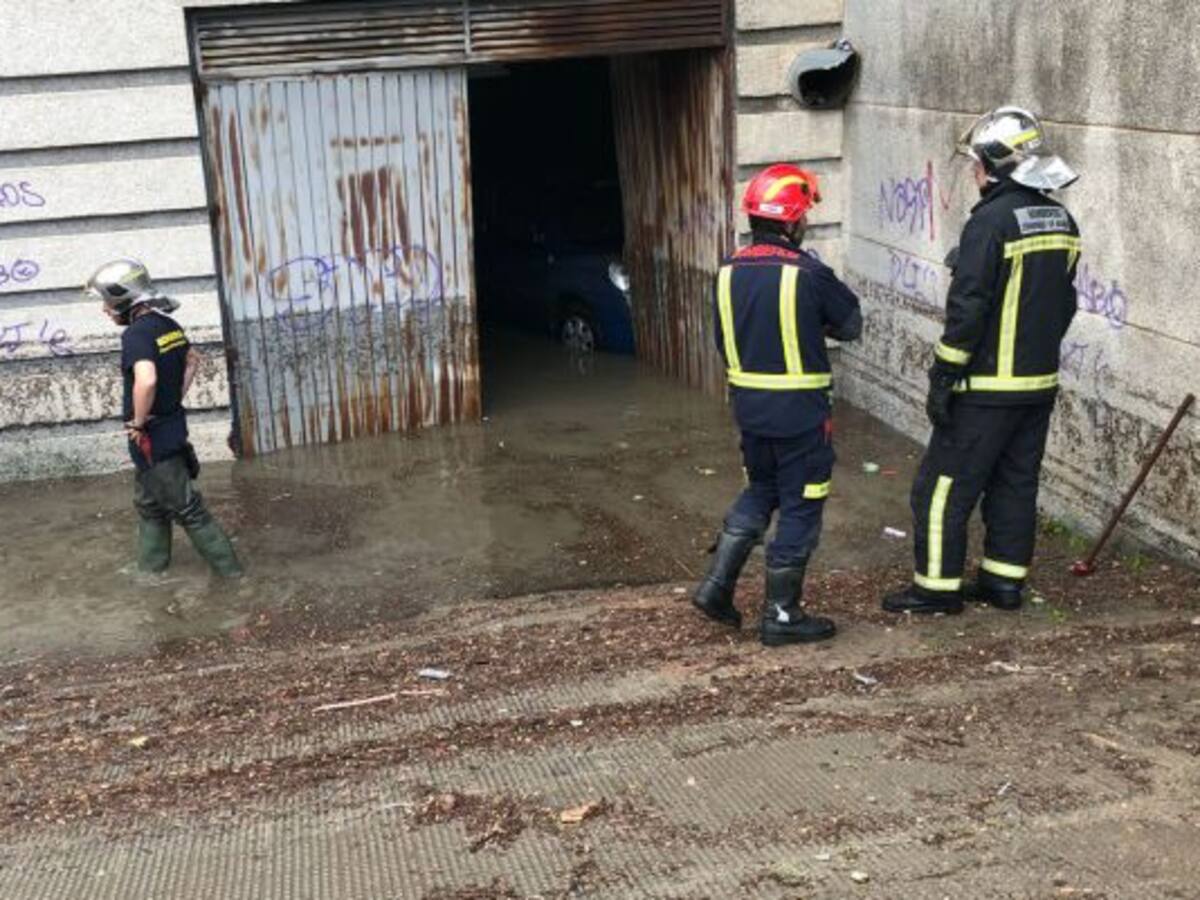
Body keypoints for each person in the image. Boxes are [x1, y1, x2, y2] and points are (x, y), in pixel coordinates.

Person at [881, 106, 1081, 615]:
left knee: (942, 489)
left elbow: (968, 307)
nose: (973, 173)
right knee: (1015, 484)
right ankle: (1003, 584)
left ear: (994, 165)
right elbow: (1065, 302)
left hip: (986, 388)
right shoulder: (1061, 219)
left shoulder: (989, 222)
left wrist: (945, 374)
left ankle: (936, 590)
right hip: (1038, 386)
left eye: (976, 163)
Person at [693, 165, 862, 645]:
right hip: (801, 418)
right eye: (805, 213)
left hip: (750, 411)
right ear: (792, 221)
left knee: (760, 490)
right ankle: (782, 615)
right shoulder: (808, 273)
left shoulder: (726, 272)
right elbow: (850, 325)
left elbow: (727, 339)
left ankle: (716, 587)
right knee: (802, 506)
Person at [86, 259, 243, 578]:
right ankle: (150, 570)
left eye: (107, 302)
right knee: (150, 506)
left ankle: (235, 578)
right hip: (170, 426)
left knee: (189, 510)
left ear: (123, 299)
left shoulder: (136, 334)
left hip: (152, 438)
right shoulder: (168, 325)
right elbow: (192, 363)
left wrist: (139, 422)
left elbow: (147, 379)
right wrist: (171, 402)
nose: (105, 310)